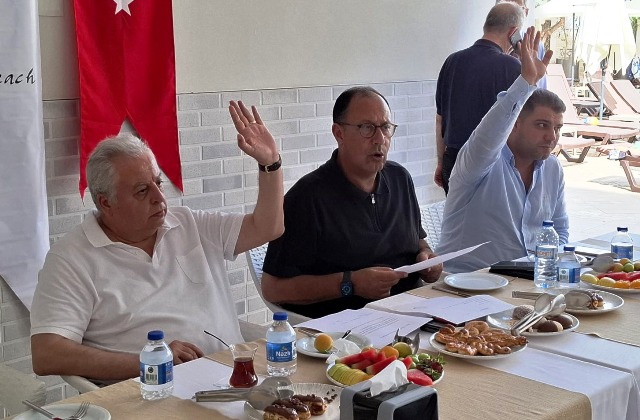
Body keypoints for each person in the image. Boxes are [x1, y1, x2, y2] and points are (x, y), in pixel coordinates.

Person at [30, 101, 284, 382]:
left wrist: (270, 163)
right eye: (142, 191)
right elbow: (47, 354)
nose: (160, 198)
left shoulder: (188, 222)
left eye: (158, 183)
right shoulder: (71, 259)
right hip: (152, 393)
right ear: (106, 203)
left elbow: (269, 228)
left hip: (233, 379)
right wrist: (152, 360)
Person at [261, 86, 443, 319]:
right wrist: (350, 283)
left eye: (385, 128)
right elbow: (273, 288)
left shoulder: (400, 178)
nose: (380, 139)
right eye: (367, 128)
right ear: (339, 133)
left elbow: (417, 240)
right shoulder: (307, 198)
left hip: (416, 314)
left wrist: (426, 257)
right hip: (346, 329)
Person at [437, 27, 569, 273]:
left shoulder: (552, 168)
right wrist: (526, 82)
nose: (552, 136)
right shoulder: (480, 161)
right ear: (514, 124)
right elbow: (490, 131)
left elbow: (560, 231)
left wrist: (546, 270)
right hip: (467, 283)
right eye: (542, 125)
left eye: (557, 128)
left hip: (526, 282)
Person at [434, 2, 524, 194]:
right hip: (492, 165)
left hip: (453, 160)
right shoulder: (513, 68)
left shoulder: (452, 61)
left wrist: (441, 163)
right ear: (513, 33)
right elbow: (524, 124)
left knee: (456, 214)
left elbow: (440, 120)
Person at [501, 0, 548, 89]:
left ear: (526, 12)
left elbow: (541, 88)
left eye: (517, 8)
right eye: (505, 6)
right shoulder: (489, 44)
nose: (510, 14)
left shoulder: (536, 46)